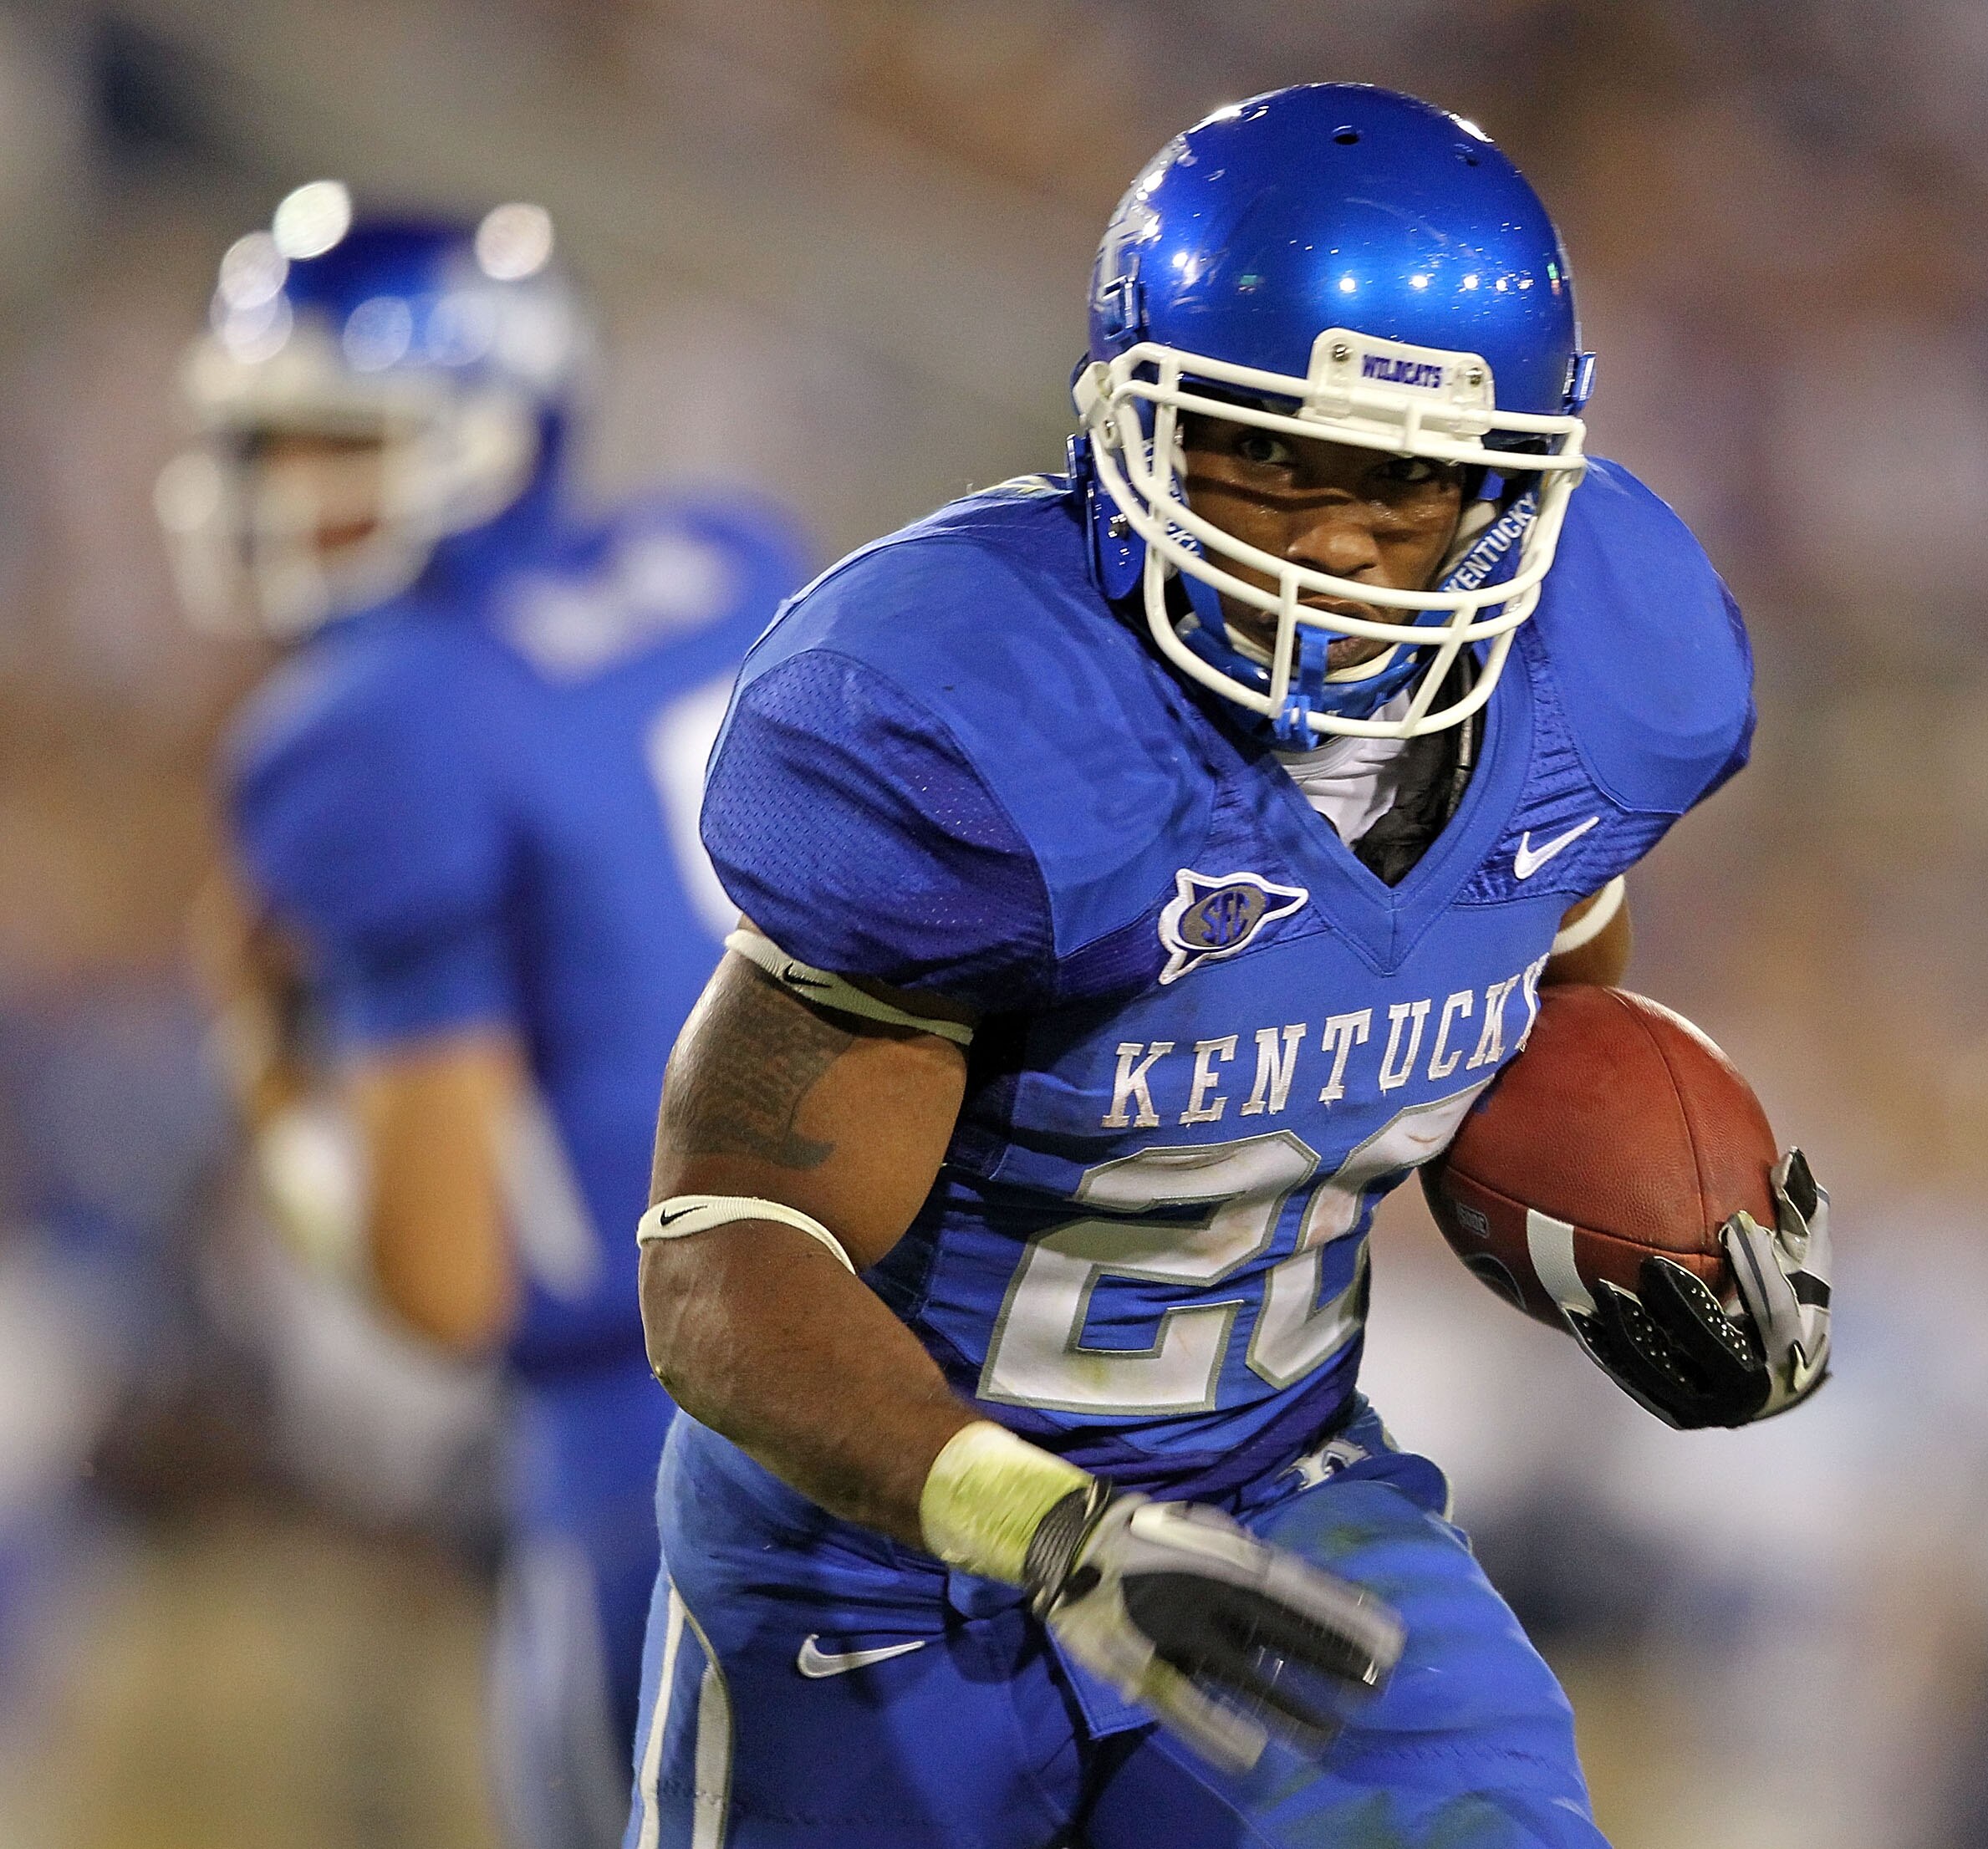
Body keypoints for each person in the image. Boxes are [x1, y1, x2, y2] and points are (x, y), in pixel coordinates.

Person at [629, 84, 1832, 1849]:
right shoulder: (968, 718)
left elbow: (1531, 1020)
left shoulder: (1603, 684)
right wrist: (1042, 1522)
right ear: (1135, 435)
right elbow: (726, 1255)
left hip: (1275, 1488)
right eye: (1270, 455)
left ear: (1512, 491)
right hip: (881, 1557)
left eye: (1406, 482)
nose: (1337, 537)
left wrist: (1645, 1244)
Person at [165, 185, 808, 1849]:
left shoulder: (369, 725)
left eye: (327, 441)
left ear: (486, 430)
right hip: (940, 1350)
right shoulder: (722, 556)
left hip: (664, 1447)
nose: (275, 493)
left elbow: (444, 1285)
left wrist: (265, 1060)